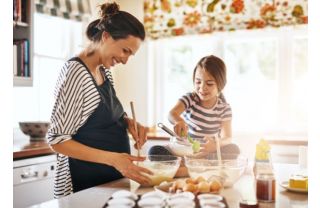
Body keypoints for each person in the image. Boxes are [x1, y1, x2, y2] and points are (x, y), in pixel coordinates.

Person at [47, 2, 153, 198]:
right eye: (125, 50)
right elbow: (57, 140)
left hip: (107, 184)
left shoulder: (103, 71)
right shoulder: (75, 74)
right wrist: (114, 160)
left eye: (131, 54)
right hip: (81, 188)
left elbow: (102, 115)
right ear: (106, 37)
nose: (125, 60)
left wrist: (129, 123)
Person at [149, 55, 240, 161]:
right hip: (185, 150)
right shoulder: (190, 98)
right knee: (154, 151)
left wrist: (215, 145)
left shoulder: (224, 108)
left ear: (221, 85)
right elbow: (172, 114)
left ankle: (188, 166)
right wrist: (178, 121)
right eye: (198, 82)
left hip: (208, 152)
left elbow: (227, 138)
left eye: (209, 84)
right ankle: (192, 164)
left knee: (233, 149)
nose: (202, 88)